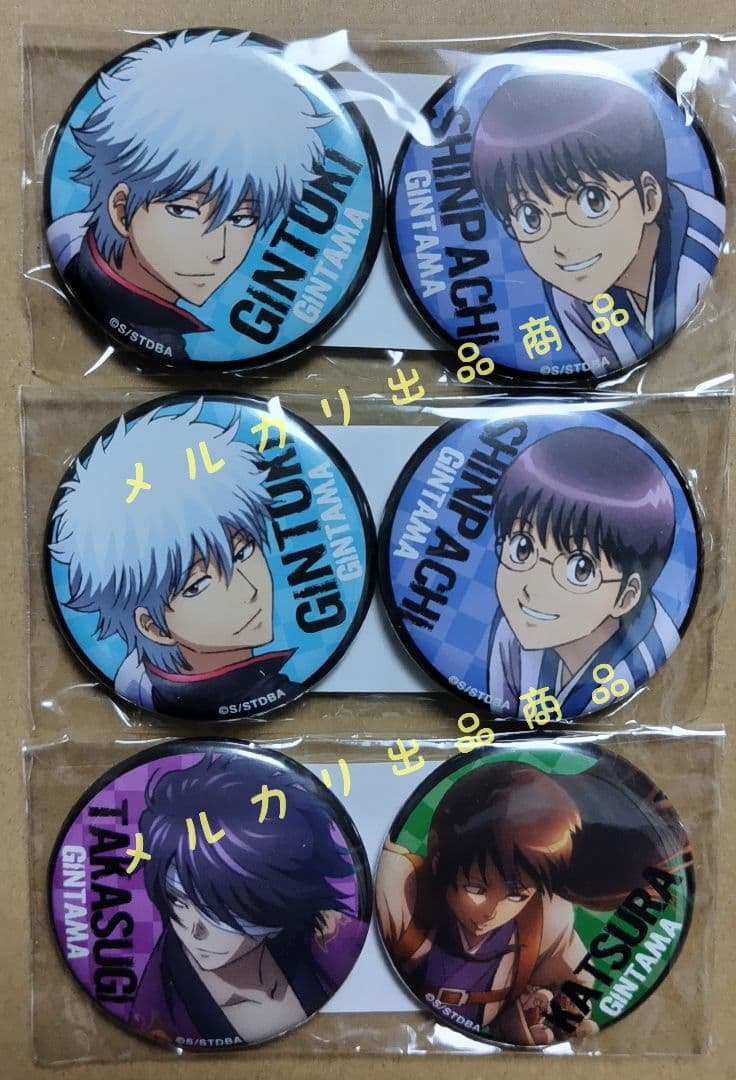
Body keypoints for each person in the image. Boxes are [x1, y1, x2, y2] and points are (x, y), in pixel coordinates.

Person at [47, 30, 326, 359]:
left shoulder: (88, 263)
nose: (218, 251)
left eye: (242, 218)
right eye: (184, 211)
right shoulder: (146, 326)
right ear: (120, 210)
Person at [376, 755, 689, 1046]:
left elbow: (578, 984)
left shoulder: (545, 920)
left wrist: (549, 1011)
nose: (492, 911)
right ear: (438, 859)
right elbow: (384, 866)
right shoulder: (403, 889)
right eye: (476, 889)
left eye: (516, 894)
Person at [48, 398, 299, 716]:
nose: (249, 590)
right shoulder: (260, 688)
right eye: (198, 585)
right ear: (153, 626)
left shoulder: (143, 681)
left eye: (243, 551)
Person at [470, 71, 724, 375]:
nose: (562, 245)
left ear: (649, 197)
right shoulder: (568, 289)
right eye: (531, 217)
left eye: (593, 201)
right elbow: (600, 368)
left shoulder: (700, 249)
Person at [129, 752, 368, 1045]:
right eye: (178, 900)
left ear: (270, 896)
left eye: (215, 907)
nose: (194, 931)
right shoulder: (158, 1011)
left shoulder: (327, 935)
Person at [487, 426, 679, 719]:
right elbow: (502, 712)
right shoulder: (512, 630)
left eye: (580, 569)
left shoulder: (647, 653)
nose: (532, 589)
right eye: (522, 549)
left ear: (626, 597)